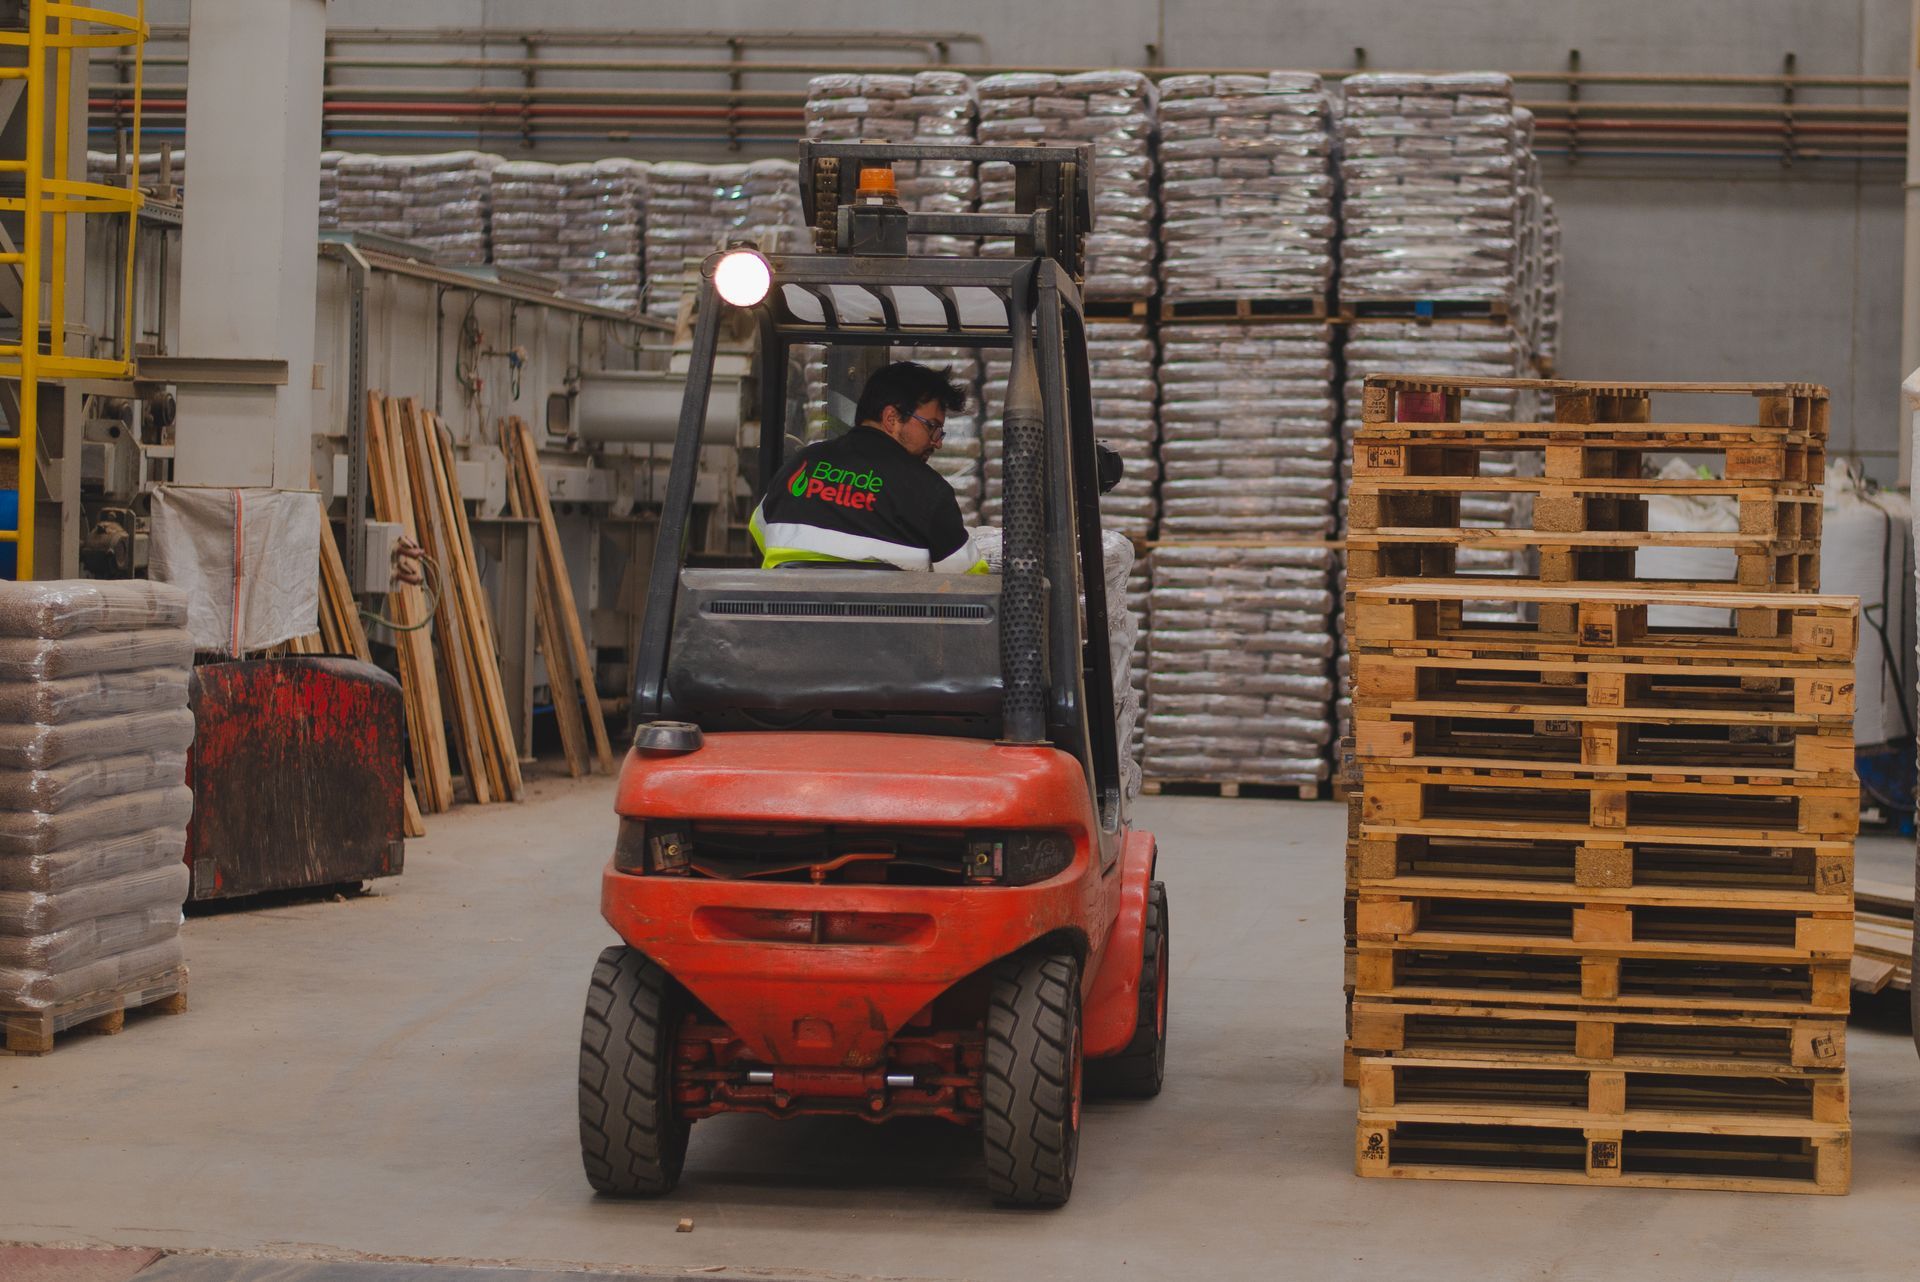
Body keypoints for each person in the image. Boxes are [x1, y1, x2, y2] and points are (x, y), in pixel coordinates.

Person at [749, 360, 989, 573]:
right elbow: (967, 576)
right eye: (932, 427)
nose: (936, 442)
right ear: (891, 419)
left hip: (787, 618)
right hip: (887, 623)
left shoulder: (800, 463)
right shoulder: (929, 490)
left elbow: (759, 528)